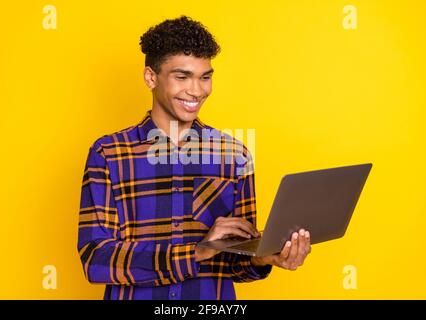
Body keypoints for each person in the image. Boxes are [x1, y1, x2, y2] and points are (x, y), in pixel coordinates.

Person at [77, 15, 311, 300]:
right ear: (151, 77)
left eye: (205, 77)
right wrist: (197, 251)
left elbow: (236, 263)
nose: (197, 90)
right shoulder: (109, 154)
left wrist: (263, 258)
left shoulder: (235, 155)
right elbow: (95, 259)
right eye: (182, 77)